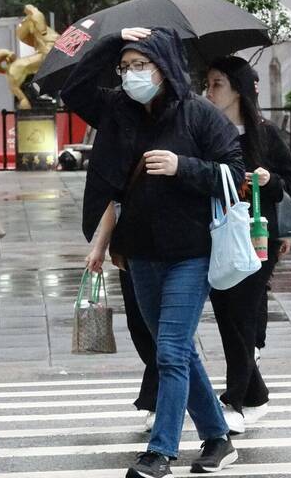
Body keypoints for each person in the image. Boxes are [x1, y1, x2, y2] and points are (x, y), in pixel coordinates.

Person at [61, 27, 244, 478]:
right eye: (124, 68)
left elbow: (234, 172)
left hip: (190, 252)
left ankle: (161, 450)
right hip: (139, 254)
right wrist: (111, 40)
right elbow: (75, 88)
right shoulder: (118, 112)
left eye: (140, 65)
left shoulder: (198, 114)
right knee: (178, 351)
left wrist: (184, 167)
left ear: (163, 67)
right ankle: (218, 438)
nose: (130, 75)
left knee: (169, 351)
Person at [204, 56, 291, 433]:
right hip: (217, 234)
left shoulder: (264, 132)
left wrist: (268, 179)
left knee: (242, 314)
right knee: (227, 316)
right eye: (208, 84)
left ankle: (237, 400)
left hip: (259, 236)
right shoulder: (206, 132)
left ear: (238, 90)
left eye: (217, 84)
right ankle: (255, 396)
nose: (209, 92)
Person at [87, 202, 159, 431]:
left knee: (166, 335)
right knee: (139, 327)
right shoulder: (121, 166)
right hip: (131, 253)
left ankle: (158, 402)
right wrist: (100, 247)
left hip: (174, 253)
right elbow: (112, 205)